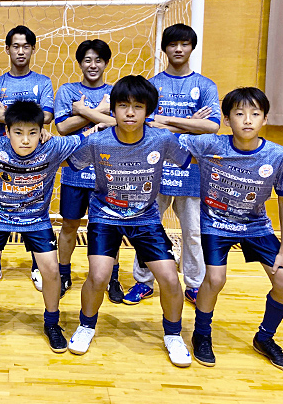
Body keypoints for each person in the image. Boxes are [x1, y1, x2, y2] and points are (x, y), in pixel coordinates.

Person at [66, 75, 192, 368]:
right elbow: (69, 160)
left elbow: (191, 159)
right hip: (105, 216)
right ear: (113, 109)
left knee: (170, 278)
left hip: (146, 218)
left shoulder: (162, 139)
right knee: (98, 276)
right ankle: (86, 325)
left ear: (148, 110)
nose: (130, 113)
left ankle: (173, 335)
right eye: (123, 106)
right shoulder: (97, 140)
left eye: (138, 106)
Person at [186, 87, 283, 371]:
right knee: (215, 279)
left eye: (255, 114)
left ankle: (265, 338)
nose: (247, 120)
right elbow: (165, 138)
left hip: (255, 226)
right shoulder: (210, 145)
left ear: (265, 119)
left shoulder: (278, 155)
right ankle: (201, 334)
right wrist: (175, 122)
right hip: (216, 223)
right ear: (227, 119)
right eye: (239, 114)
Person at [0, 100, 86, 353]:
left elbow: (88, 138)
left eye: (32, 132)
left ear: (41, 132)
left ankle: (52, 323)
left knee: (51, 269)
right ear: (7, 131)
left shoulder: (52, 146)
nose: (26, 140)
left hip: (36, 218)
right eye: (18, 132)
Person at [124, 24, 220, 306]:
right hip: (155, 166)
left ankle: (194, 285)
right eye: (173, 44)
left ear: (192, 47)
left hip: (192, 168)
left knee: (193, 232)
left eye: (184, 44)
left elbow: (212, 126)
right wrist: (191, 123)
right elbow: (145, 124)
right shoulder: (152, 85)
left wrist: (166, 120)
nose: (178, 49)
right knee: (146, 226)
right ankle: (143, 281)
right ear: (164, 48)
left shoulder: (205, 86)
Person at [0, 25, 54, 291]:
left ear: (33, 49)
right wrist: (29, 116)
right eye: (16, 46)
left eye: (26, 46)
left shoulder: (43, 81)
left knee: (34, 205)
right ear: (7, 49)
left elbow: (47, 116)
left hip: (35, 154)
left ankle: (38, 267)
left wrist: (8, 113)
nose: (21, 51)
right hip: (2, 155)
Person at [54, 39, 117, 300]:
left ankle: (112, 279)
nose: (93, 65)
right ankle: (63, 274)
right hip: (75, 173)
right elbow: (62, 127)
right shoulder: (67, 91)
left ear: (106, 63)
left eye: (98, 60)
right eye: (88, 60)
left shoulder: (116, 92)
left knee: (110, 227)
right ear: (80, 63)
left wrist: (82, 111)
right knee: (69, 225)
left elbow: (122, 124)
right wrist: (100, 111)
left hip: (109, 174)